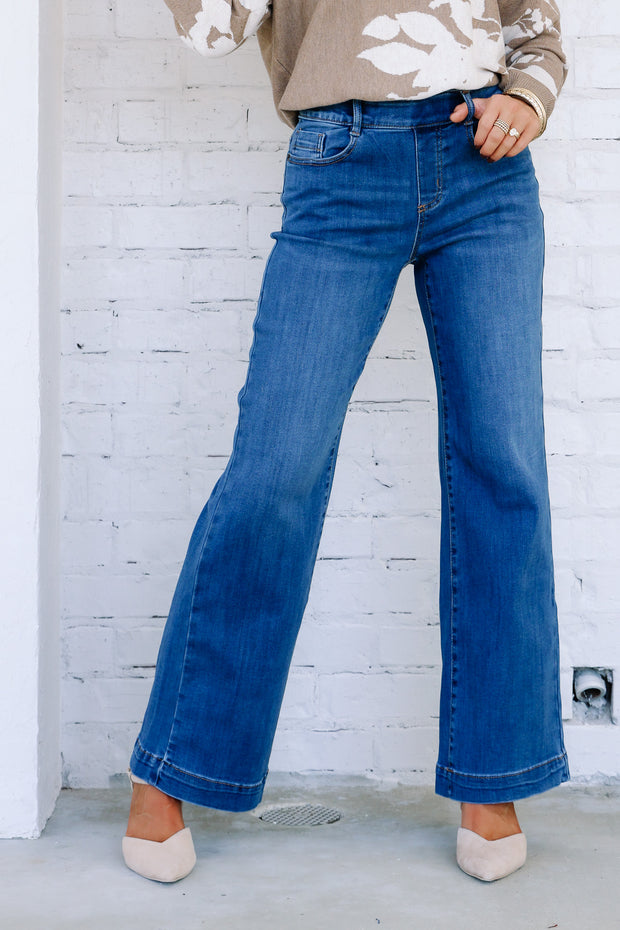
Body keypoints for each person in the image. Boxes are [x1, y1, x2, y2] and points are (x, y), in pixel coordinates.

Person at [122, 0, 570, 884]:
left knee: (504, 465)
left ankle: (493, 777)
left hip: (484, 165)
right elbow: (212, 27)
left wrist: (528, 96)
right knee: (274, 470)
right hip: (340, 158)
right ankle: (174, 765)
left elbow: (536, 29)